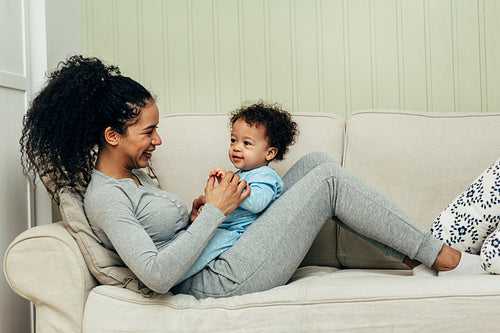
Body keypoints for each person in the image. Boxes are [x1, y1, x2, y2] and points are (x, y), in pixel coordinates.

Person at [20, 55, 485, 300]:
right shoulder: (105, 198)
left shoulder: (137, 177)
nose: (158, 140)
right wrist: (215, 214)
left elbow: (167, 236)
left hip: (223, 250)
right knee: (326, 185)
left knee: (317, 165)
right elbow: (158, 275)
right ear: (112, 136)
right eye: (148, 131)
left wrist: (198, 211)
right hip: (218, 278)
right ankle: (442, 257)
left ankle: (411, 258)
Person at [175, 104, 297, 285]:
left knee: (201, 251)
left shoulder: (266, 175)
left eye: (246, 143)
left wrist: (231, 188)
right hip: (223, 225)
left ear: (269, 153)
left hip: (237, 233)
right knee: (187, 239)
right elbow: (225, 204)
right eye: (233, 140)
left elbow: (258, 203)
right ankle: (170, 270)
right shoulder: (240, 174)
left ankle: (175, 279)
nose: (237, 148)